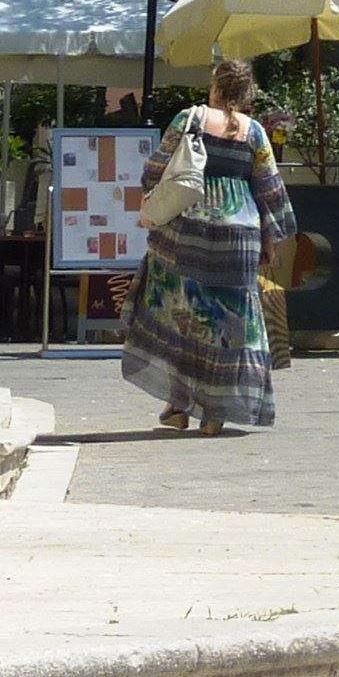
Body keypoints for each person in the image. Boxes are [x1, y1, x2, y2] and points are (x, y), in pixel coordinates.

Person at [122, 57, 297, 434]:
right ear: (247, 93)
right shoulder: (254, 133)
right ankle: (215, 413)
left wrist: (151, 198)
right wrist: (271, 238)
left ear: (215, 86)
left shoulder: (190, 119)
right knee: (229, 323)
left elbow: (156, 168)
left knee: (182, 316)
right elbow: (269, 188)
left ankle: (179, 406)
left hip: (189, 230)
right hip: (240, 235)